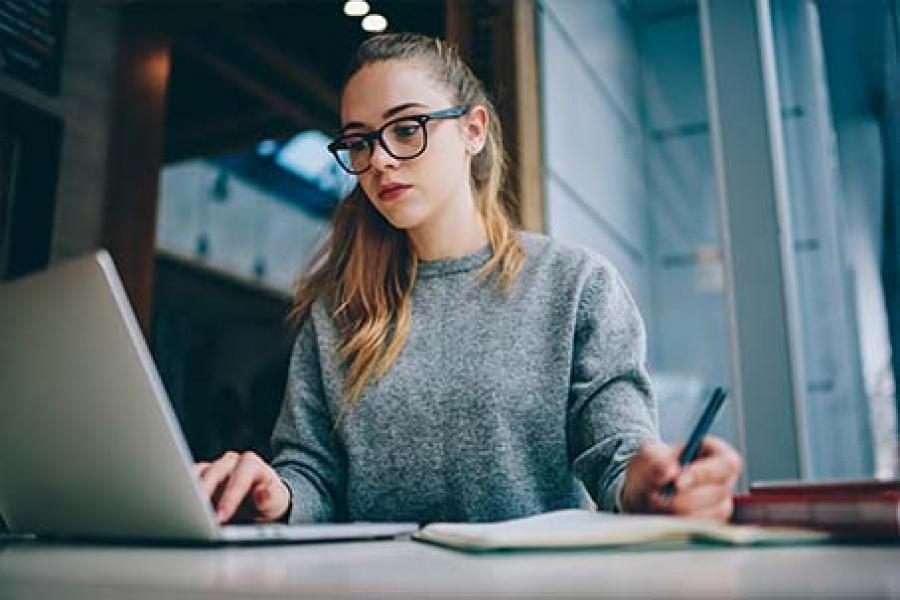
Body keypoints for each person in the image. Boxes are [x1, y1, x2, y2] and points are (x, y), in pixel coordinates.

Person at [195, 32, 742, 526]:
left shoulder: (574, 285)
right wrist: (279, 495)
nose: (380, 160)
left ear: (472, 130)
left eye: (406, 129)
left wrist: (649, 486)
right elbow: (313, 476)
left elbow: (619, 458)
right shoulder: (339, 311)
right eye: (359, 143)